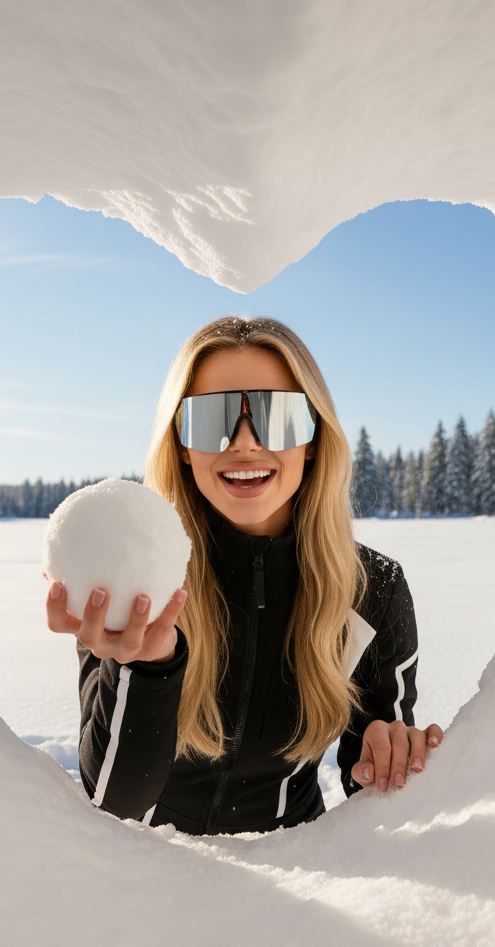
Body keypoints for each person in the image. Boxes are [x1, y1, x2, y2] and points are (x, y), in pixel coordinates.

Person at [46, 316, 443, 835]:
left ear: (314, 438)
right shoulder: (138, 571)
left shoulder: (373, 589)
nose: (245, 441)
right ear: (184, 446)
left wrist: (385, 754)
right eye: (212, 419)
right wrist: (145, 669)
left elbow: (369, 778)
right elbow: (115, 799)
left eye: (277, 417)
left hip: (294, 871)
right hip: (146, 874)